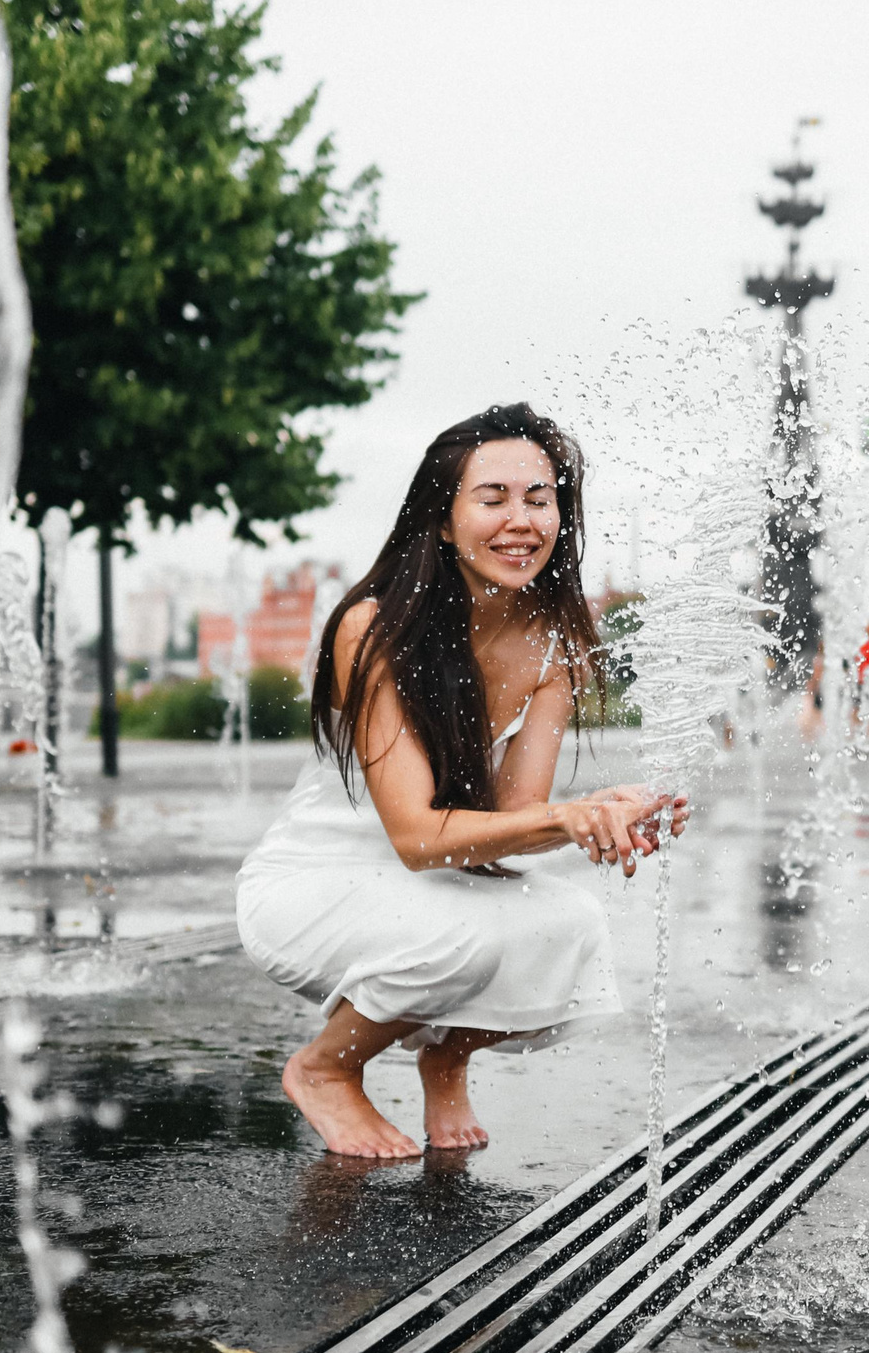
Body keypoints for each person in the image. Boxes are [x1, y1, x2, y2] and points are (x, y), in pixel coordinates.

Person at [236, 403, 681, 1159]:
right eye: (494, 497)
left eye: (540, 499)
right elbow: (416, 837)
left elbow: (507, 828)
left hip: (431, 880)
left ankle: (445, 1054)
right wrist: (566, 818)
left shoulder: (554, 645)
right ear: (442, 521)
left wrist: (599, 814)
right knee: (463, 938)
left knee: (572, 925)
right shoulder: (374, 627)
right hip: (314, 884)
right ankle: (324, 1069)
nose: (522, 520)